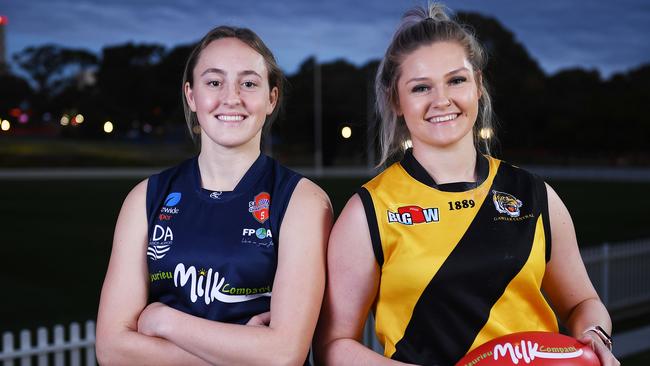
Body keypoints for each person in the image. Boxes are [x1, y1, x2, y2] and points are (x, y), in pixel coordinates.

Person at [314, 4, 619, 366]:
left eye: (456, 80)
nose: (441, 100)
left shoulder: (533, 195)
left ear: (477, 86)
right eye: (421, 87)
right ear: (397, 100)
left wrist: (594, 336)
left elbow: (583, 303)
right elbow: (333, 345)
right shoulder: (370, 210)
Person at [96, 25, 332, 365]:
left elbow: (283, 356)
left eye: (249, 83)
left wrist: (164, 321)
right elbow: (111, 350)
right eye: (214, 82)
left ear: (271, 98)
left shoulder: (303, 201)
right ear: (192, 96)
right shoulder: (145, 198)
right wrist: (245, 353)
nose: (231, 97)